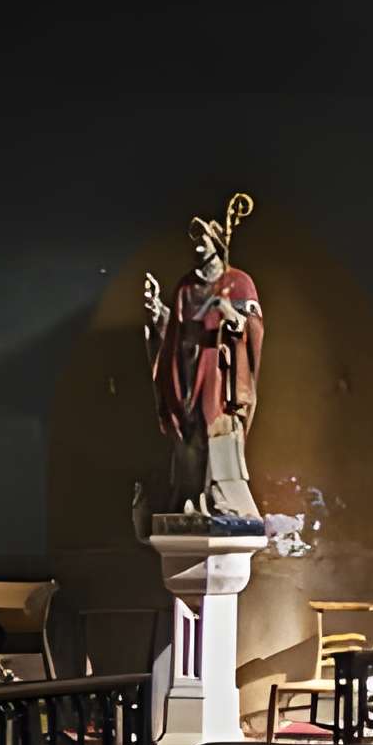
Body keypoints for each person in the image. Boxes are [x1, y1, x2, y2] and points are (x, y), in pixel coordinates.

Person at [142, 200, 264, 522]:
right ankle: (191, 500)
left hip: (221, 376)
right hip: (191, 374)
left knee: (221, 433)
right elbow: (176, 330)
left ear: (217, 244)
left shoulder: (239, 283)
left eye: (204, 240)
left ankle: (225, 501)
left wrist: (230, 314)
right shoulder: (186, 287)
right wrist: (158, 311)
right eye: (195, 241)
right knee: (191, 438)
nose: (197, 246)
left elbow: (253, 328)